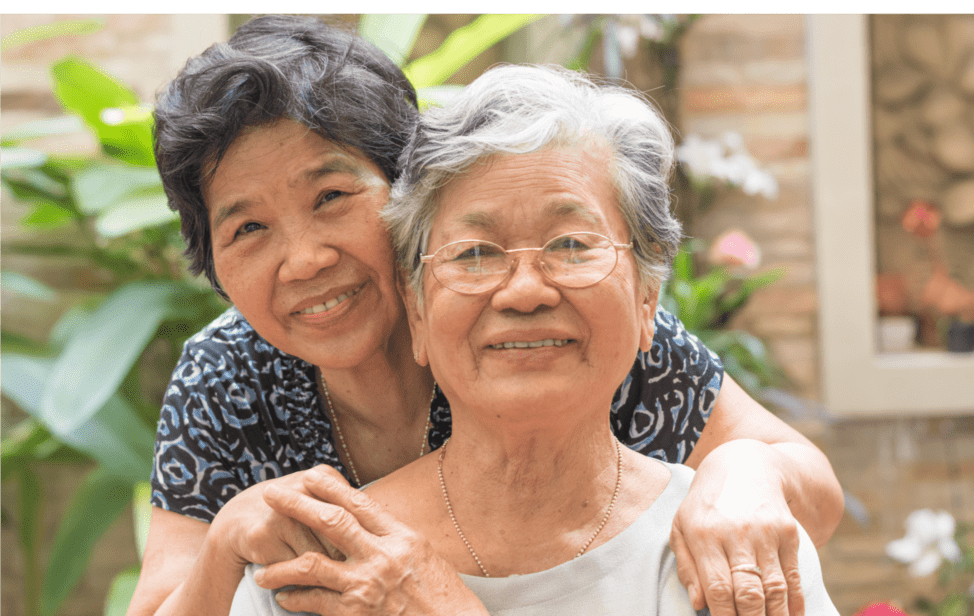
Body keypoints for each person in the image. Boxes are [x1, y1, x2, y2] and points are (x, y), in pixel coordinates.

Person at [129, 14, 843, 616]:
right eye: (247, 230)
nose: (304, 259)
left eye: (331, 198)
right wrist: (227, 540)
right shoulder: (227, 373)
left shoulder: (570, 328)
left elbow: (805, 482)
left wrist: (742, 471)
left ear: (406, 193)